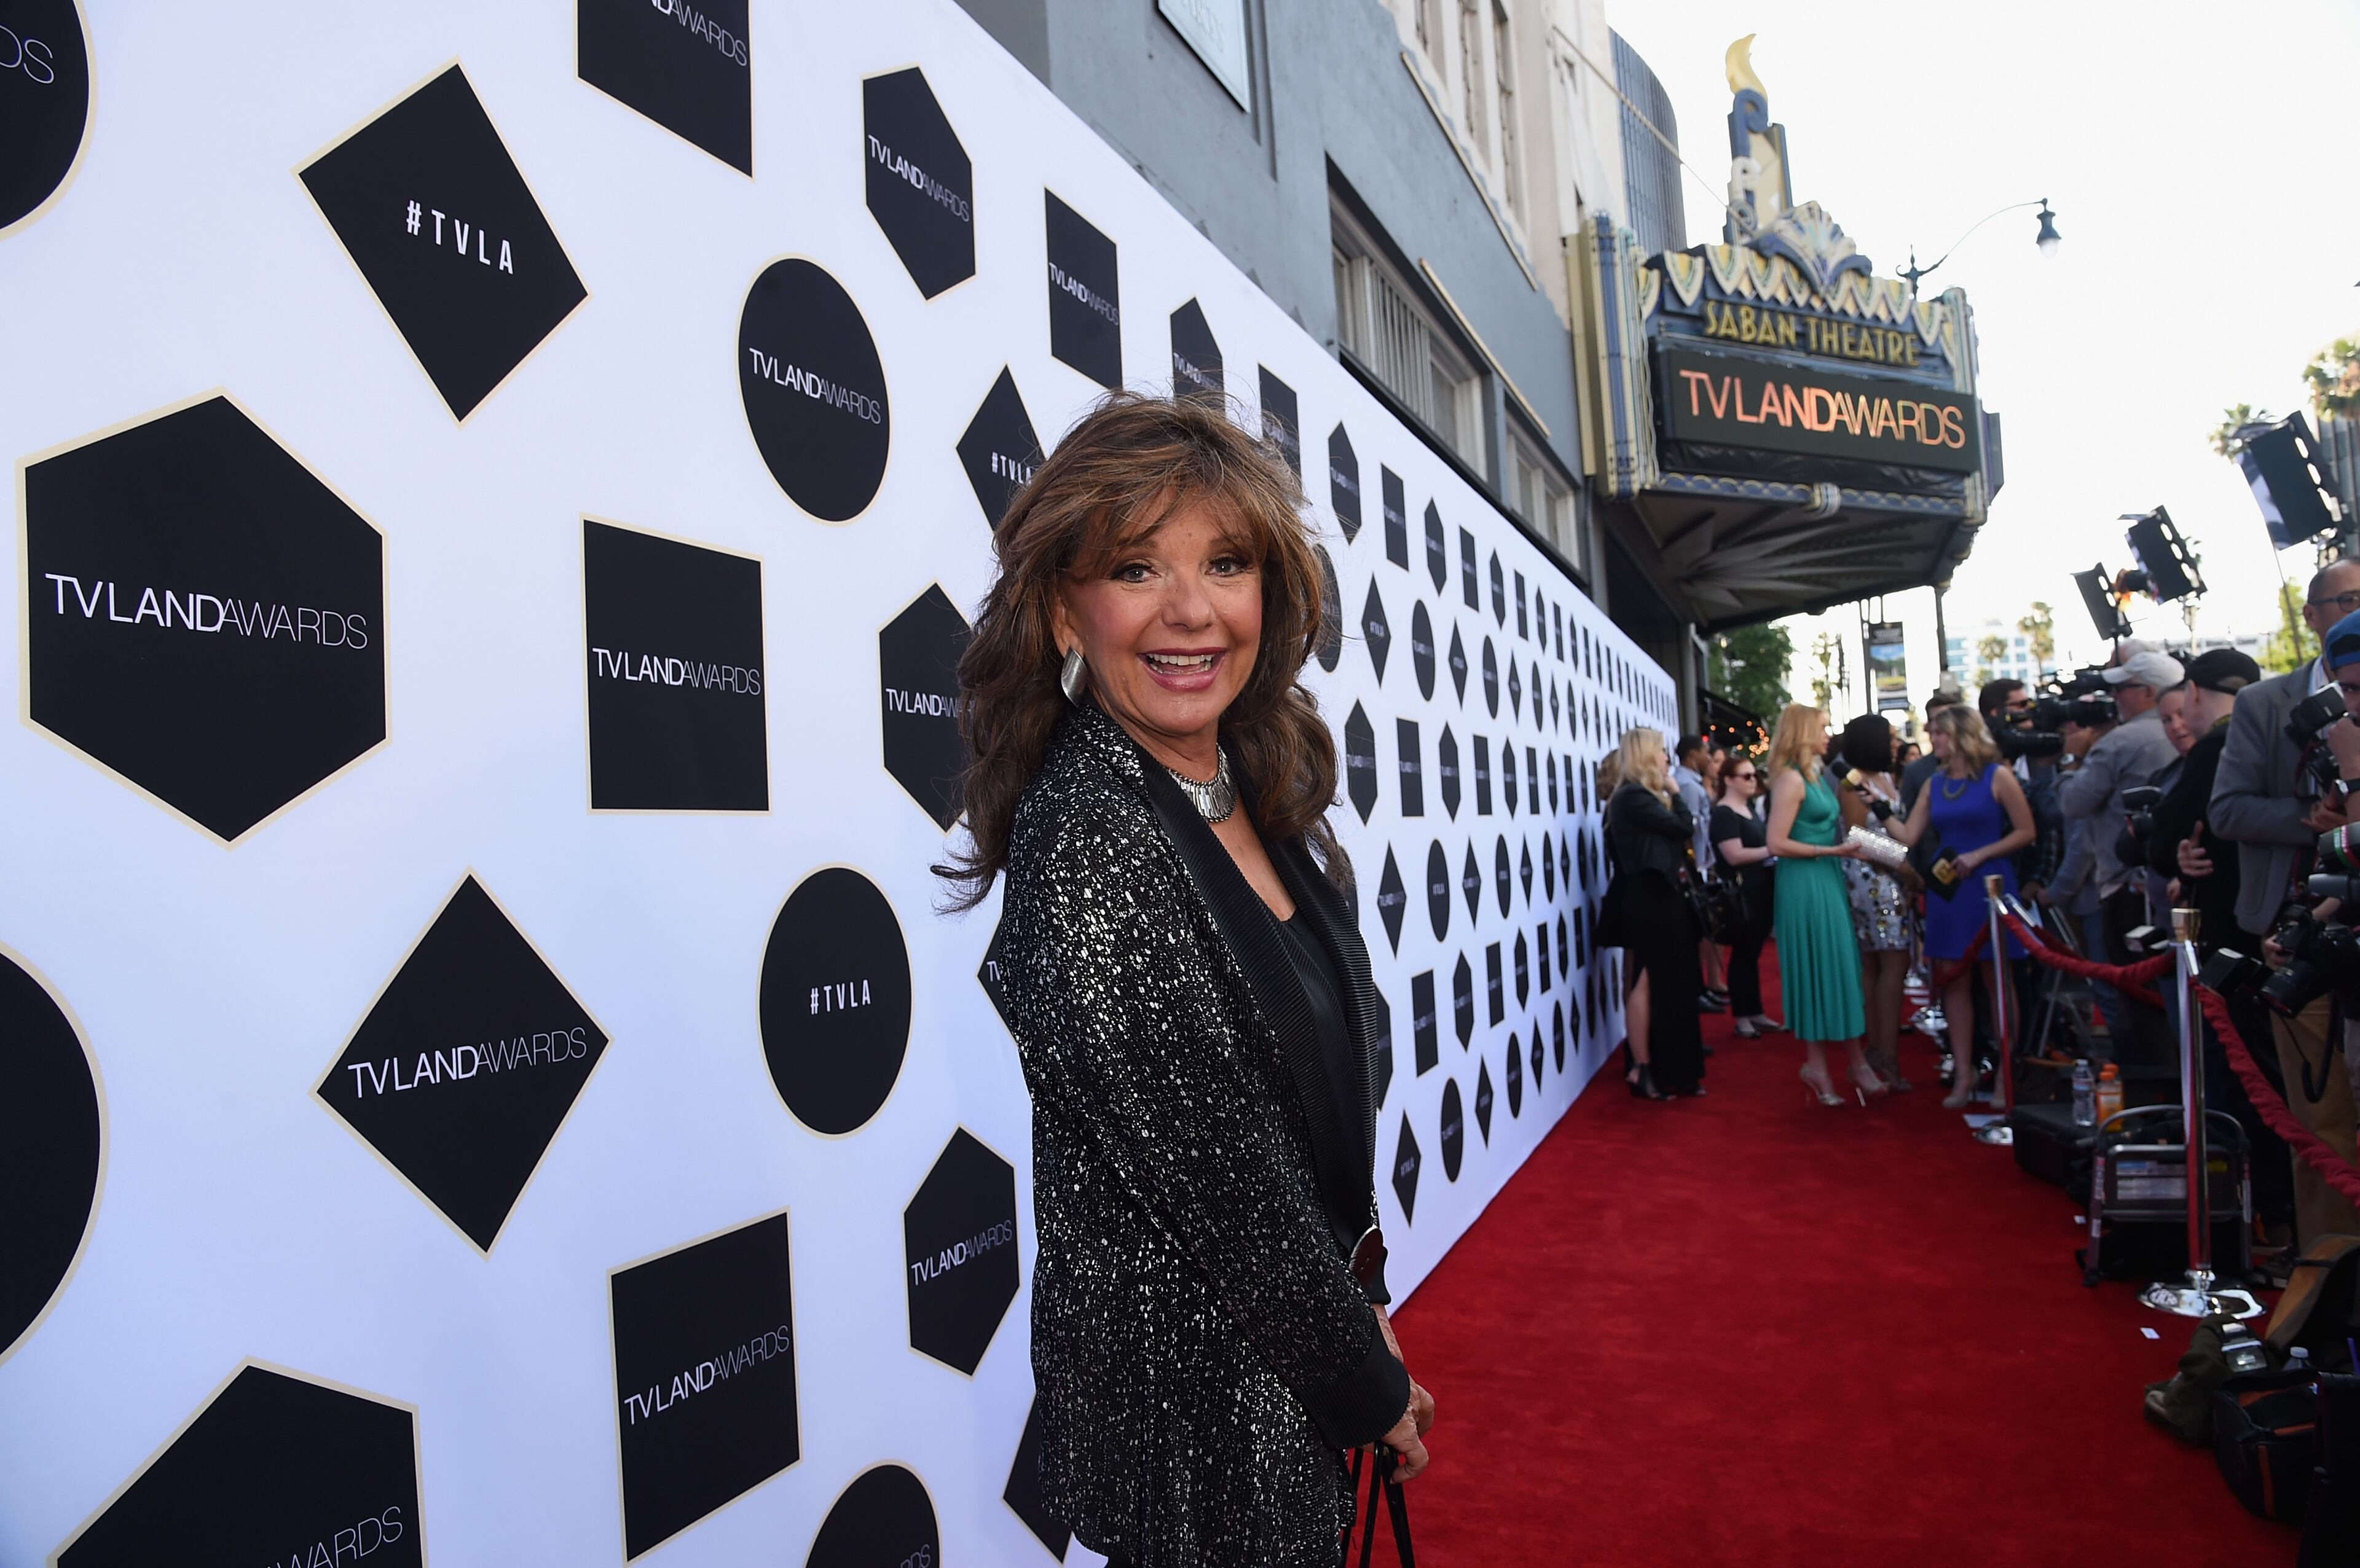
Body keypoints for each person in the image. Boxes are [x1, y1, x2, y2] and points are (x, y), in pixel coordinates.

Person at [943, 393, 1430, 1566]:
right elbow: (1222, 1178)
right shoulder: (1093, 833)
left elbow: (1300, 1119)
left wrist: (1351, 1317)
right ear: (1066, 611)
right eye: (1135, 566)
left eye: (1225, 563)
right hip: (1198, 1440)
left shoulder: (1248, 796)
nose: (1191, 610)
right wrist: (1367, 1379)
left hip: (1289, 1386)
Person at [2214, 574, 2360, 1247]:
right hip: (2296, 934)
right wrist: (2314, 818)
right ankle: (2328, 1278)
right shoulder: (2265, 705)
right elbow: (2228, 810)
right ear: (2314, 616)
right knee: (2317, 1126)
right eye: (2349, 601)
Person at [1889, 705, 2036, 1108]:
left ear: (1961, 736)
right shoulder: (1934, 784)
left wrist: (1981, 855)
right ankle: (1964, 1073)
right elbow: (1906, 836)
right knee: (1953, 982)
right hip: (1949, 891)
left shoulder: (1997, 776)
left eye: (1939, 733)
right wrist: (1877, 810)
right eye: (1932, 733)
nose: (1932, 740)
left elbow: (2027, 831)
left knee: (1997, 983)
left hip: (1989, 886)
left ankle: (2006, 1074)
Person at [2059, 646, 2184, 1062]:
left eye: (2125, 689)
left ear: (2148, 692)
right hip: (2173, 885)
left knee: (2129, 1000)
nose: (2116, 697)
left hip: (2127, 887)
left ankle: (2143, 1089)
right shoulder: (2194, 741)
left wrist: (2072, 760)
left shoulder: (2120, 742)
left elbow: (2073, 803)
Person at [1761, 704, 1876, 1105]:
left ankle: (1855, 1062)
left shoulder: (1816, 776)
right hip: (1804, 882)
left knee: (1839, 966)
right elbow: (1775, 843)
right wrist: (1832, 849)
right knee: (1816, 966)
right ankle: (1819, 1066)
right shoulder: (1791, 780)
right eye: (1822, 728)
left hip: (1824, 876)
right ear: (1803, 731)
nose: (1829, 735)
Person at [1601, 728, 1708, 1097]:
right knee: (1648, 979)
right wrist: (1678, 797)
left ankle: (1672, 1067)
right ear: (1647, 756)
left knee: (1670, 982)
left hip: (1661, 894)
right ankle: (1643, 1068)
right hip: (1648, 896)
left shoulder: (1639, 797)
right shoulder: (1632, 798)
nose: (1667, 758)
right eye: (1661, 751)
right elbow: (1683, 828)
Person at [1837, 714, 1916, 1090]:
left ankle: (1880, 1052)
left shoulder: (1884, 777)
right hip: (1874, 881)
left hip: (1889, 877)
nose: (1897, 741)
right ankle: (1883, 1052)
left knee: (1881, 965)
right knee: (1891, 963)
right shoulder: (1853, 781)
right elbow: (1858, 837)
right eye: (1889, 736)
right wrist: (1906, 867)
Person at [1710, 755, 1780, 1038]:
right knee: (1743, 956)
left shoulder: (1749, 808)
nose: (1754, 781)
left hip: (1760, 891)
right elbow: (1733, 855)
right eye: (1746, 776)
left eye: (1755, 776)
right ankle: (1742, 1016)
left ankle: (1755, 1011)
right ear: (1728, 780)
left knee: (1751, 954)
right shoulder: (1724, 814)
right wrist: (1772, 850)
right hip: (1741, 895)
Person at [1674, 734, 1730, 1011]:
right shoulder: (1687, 786)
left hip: (1703, 866)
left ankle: (1703, 987)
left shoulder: (1692, 784)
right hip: (1696, 869)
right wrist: (1694, 868)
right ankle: (1699, 989)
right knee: (1697, 932)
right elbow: (1688, 831)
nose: (1710, 759)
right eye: (1707, 753)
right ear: (1693, 755)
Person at [1899, 690, 1962, 812]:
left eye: (1948, 719)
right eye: (1937, 720)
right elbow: (1909, 824)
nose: (1943, 725)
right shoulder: (1915, 771)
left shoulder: (1987, 769)